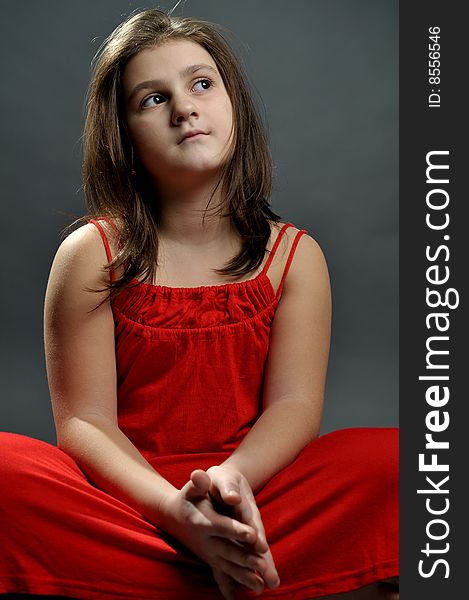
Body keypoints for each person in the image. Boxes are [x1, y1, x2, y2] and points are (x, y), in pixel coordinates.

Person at [0, 8, 398, 600]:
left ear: (232, 104)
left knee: (405, 461)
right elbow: (86, 422)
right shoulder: (91, 254)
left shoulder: (295, 257)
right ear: (123, 135)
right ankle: (215, 570)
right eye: (152, 99)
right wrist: (176, 512)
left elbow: (294, 407)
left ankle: (204, 563)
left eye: (201, 84)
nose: (184, 106)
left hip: (255, 495)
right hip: (127, 503)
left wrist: (230, 484)